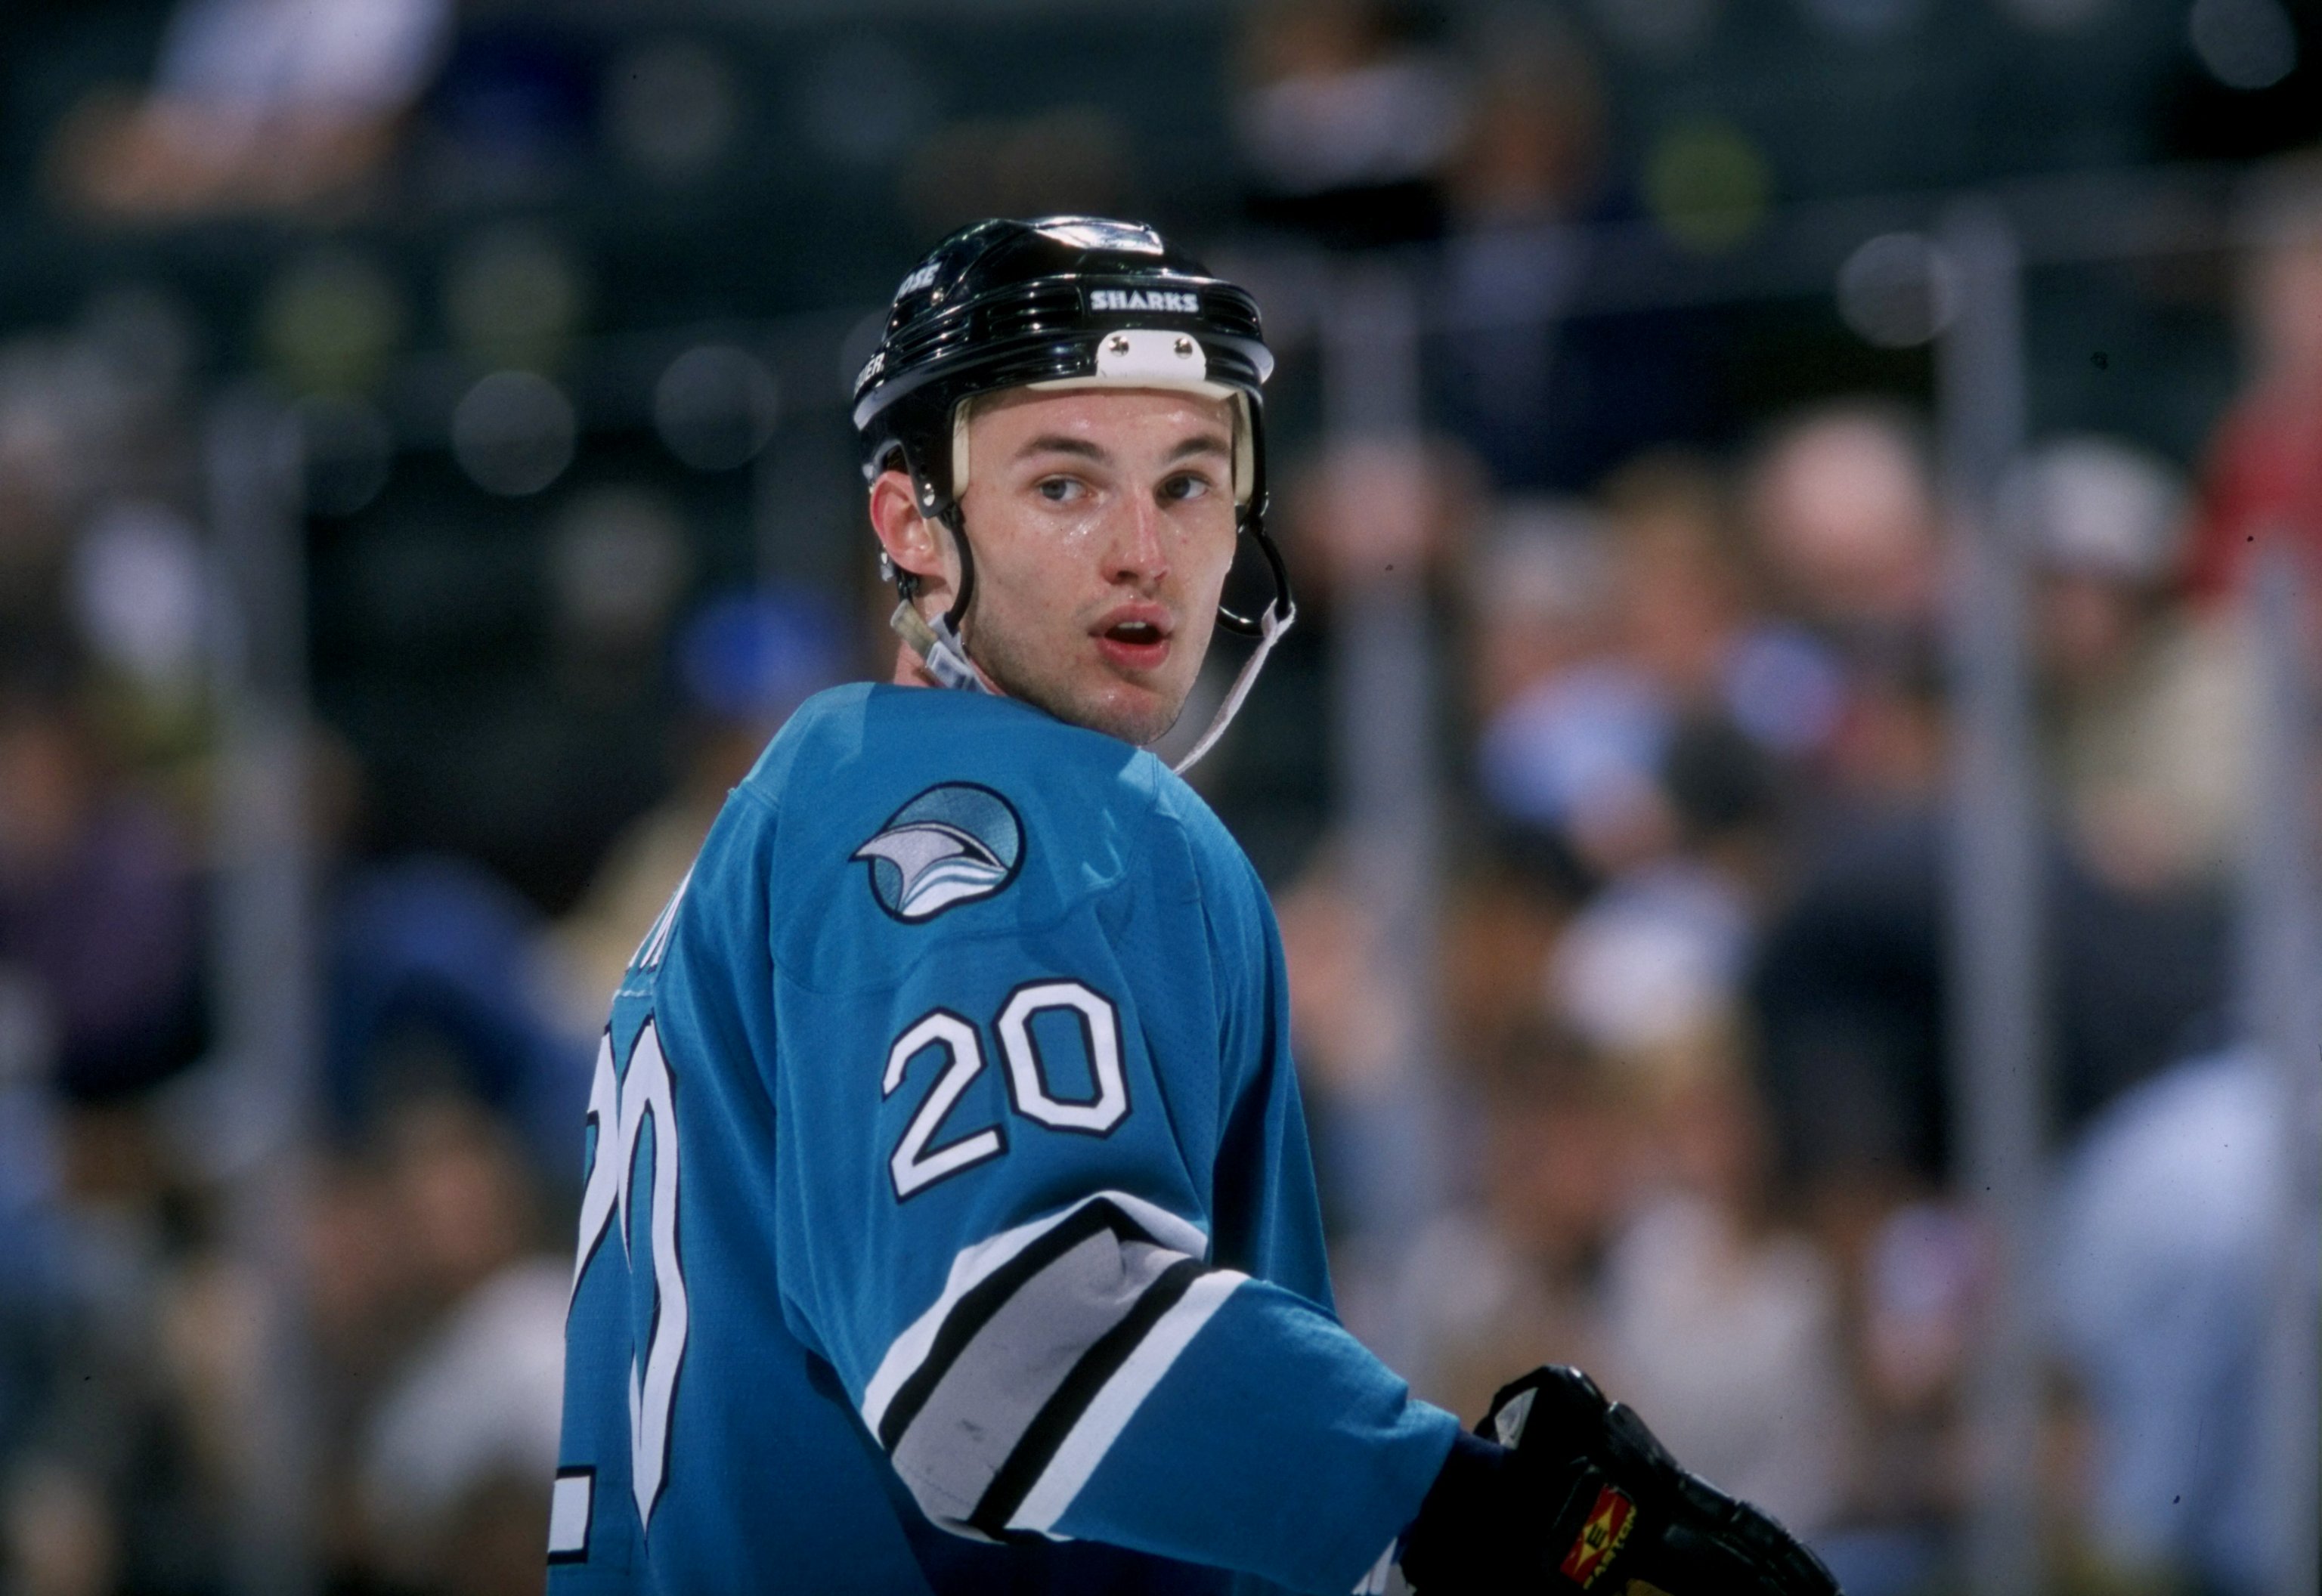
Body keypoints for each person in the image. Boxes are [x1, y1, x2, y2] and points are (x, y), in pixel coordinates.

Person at [550, 216, 1838, 1596]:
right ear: (912, 525)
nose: (1143, 552)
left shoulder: (808, 813)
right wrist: (1471, 1514)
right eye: (1063, 484)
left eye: (1188, 483)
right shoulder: (983, 809)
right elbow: (1002, 1350)